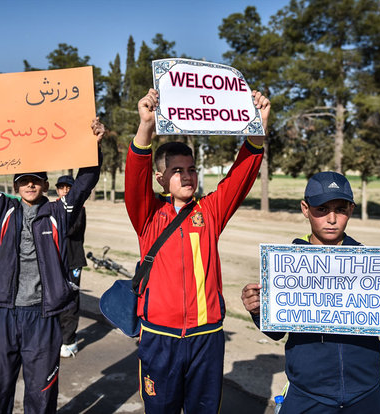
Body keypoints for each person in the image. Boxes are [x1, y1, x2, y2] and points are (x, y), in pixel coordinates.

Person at [0, 112, 104, 414]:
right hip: (8, 314)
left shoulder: (59, 212)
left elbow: (85, 182)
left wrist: (93, 146)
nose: (30, 185)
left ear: (44, 183)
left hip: (44, 315)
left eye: (36, 180)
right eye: (24, 181)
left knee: (40, 393)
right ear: (16, 186)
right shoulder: (3, 209)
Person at [125, 88, 270, 413]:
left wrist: (256, 129)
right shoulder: (148, 215)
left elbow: (239, 178)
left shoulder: (211, 210)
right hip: (159, 337)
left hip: (207, 336)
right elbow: (135, 177)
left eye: (191, 169)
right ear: (161, 178)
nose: (188, 176)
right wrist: (146, 126)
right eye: (178, 171)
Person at [241, 171, 380, 413]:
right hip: (307, 395)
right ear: (305, 209)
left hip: (365, 394)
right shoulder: (286, 265)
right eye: (322, 209)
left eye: (340, 209)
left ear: (351, 210)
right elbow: (276, 332)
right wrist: (258, 310)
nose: (332, 218)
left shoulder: (369, 264)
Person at [55, 175, 88, 358]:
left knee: (71, 301)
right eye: (61, 187)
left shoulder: (79, 208)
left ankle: (69, 341)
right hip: (56, 260)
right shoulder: (54, 207)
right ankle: (58, 337)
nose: (65, 191)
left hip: (73, 261)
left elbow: (70, 230)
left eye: (69, 187)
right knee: (56, 299)